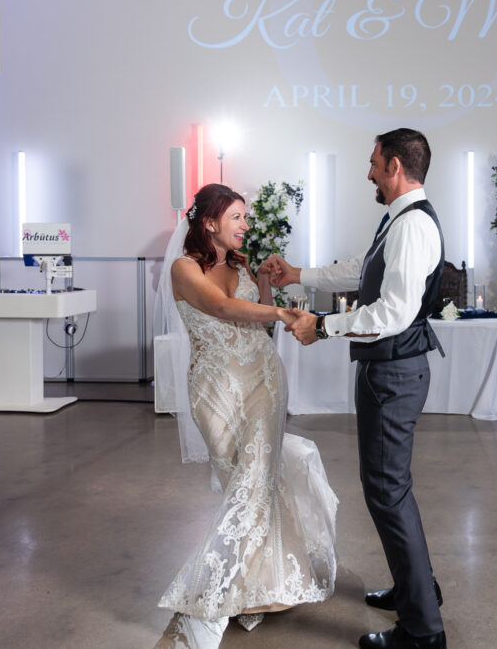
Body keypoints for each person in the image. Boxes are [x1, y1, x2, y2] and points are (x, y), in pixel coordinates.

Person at [261, 128, 447, 649]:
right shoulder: (401, 219)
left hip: (393, 374)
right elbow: (362, 271)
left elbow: (392, 313)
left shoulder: (412, 226)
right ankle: (419, 591)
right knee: (391, 492)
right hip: (387, 371)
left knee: (388, 494)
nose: (367, 172)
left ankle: (423, 631)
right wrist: (300, 273)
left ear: (393, 166)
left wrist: (321, 326)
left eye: (372, 163)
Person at [154, 183, 339, 648]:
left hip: (262, 382)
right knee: (240, 479)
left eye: (246, 217)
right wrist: (280, 310)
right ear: (210, 222)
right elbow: (217, 306)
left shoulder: (239, 265)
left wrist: (264, 281)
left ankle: (222, 594)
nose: (245, 225)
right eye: (237, 216)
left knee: (257, 479)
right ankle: (253, 584)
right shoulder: (183, 268)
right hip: (215, 392)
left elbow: (251, 316)